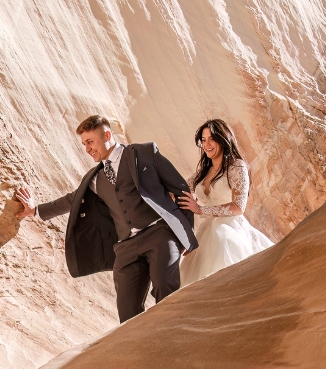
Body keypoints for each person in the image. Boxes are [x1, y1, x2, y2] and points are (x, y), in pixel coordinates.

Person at [16, 115, 197, 322]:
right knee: (127, 311)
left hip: (159, 233)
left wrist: (183, 234)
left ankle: (173, 340)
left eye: (90, 142)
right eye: (84, 144)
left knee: (165, 288)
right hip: (125, 247)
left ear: (107, 135)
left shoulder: (144, 153)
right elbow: (72, 200)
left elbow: (181, 190)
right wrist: (35, 210)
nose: (87, 149)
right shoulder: (95, 178)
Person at [177, 119, 274, 286]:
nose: (207, 144)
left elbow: (238, 207)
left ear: (223, 139)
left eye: (211, 139)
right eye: (203, 140)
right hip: (205, 233)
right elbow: (182, 189)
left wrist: (200, 210)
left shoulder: (237, 167)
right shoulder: (203, 171)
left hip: (230, 231)